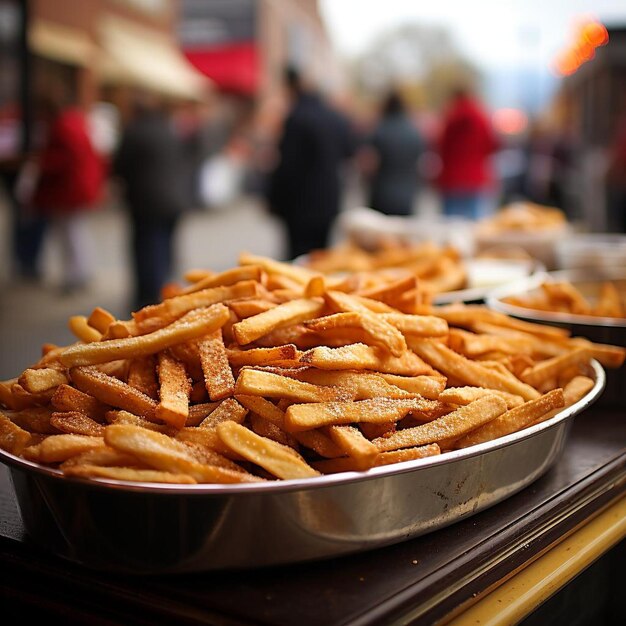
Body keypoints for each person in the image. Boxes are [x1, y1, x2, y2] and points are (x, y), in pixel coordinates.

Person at [266, 66, 356, 259]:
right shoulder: (336, 118)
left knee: (298, 259)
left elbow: (287, 166)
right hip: (329, 201)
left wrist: (273, 200)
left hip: (299, 206)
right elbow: (350, 152)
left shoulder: (297, 119)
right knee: (321, 257)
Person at [113, 93, 189, 310]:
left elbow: (119, 166)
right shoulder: (169, 129)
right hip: (174, 199)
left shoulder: (135, 131)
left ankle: (149, 299)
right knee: (164, 246)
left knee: (147, 249)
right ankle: (166, 290)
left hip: (146, 202)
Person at [29, 84, 105, 293]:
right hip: (78, 186)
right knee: (75, 231)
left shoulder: (63, 125)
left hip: (69, 188)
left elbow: (65, 159)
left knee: (70, 232)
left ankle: (76, 274)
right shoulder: (76, 122)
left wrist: (41, 163)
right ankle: (80, 272)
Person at [436, 87, 499, 219]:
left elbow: (441, 146)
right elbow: (492, 145)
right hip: (475, 177)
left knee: (449, 223)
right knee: (474, 222)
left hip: (452, 177)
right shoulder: (481, 117)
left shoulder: (450, 117)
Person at [361, 90, 425, 216]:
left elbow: (369, 163)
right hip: (407, 195)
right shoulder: (414, 132)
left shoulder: (380, 130)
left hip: (382, 194)